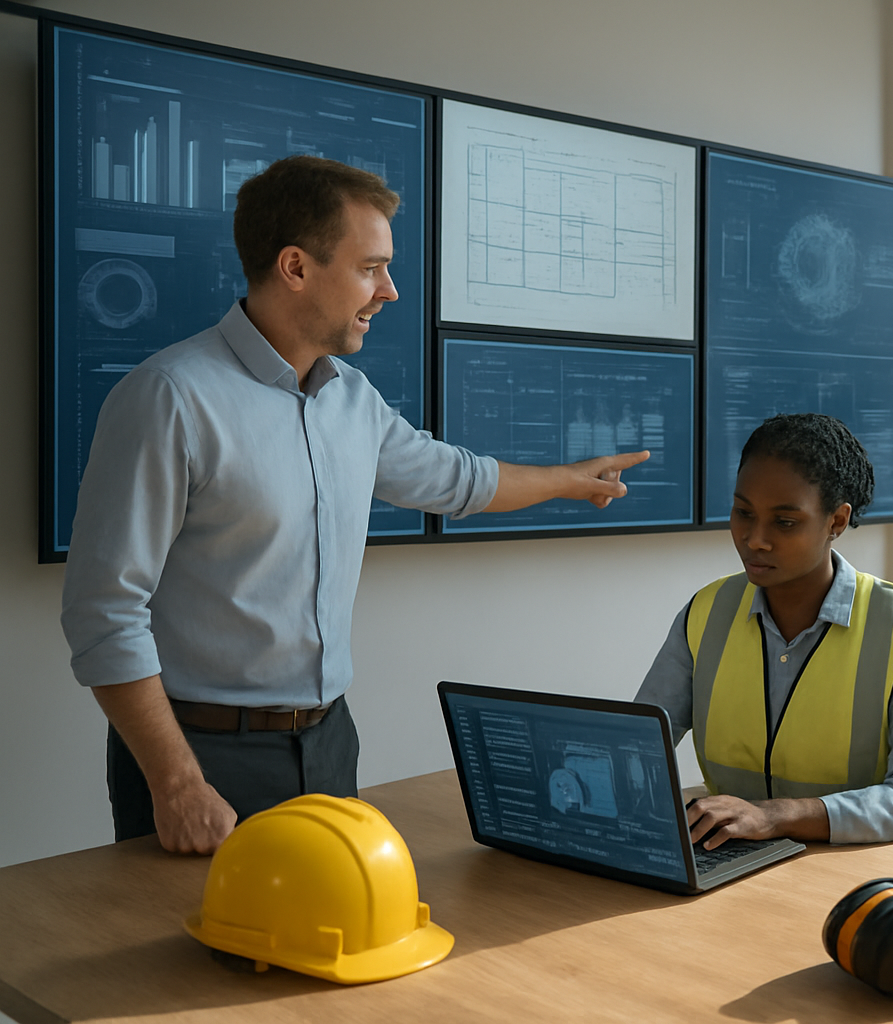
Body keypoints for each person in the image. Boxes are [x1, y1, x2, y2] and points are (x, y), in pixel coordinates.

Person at [61, 156, 648, 856]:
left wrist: (568, 479)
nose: (390, 291)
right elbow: (103, 613)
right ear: (296, 267)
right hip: (203, 759)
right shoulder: (169, 398)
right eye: (371, 268)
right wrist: (177, 783)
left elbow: (453, 479)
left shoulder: (351, 399)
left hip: (328, 745)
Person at [636, 413, 893, 847]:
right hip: (732, 861)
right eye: (742, 512)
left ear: (836, 522)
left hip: (856, 873)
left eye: (784, 522)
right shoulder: (706, 612)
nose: (755, 539)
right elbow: (638, 749)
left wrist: (779, 815)